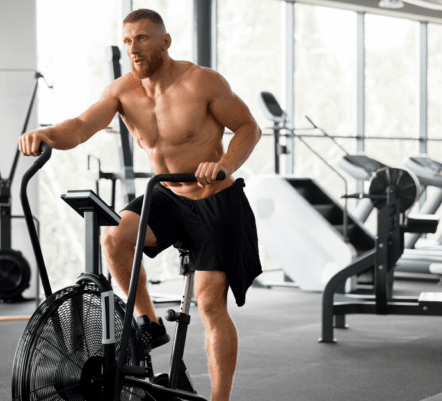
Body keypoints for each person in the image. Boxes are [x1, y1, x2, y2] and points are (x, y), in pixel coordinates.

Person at [19, 9, 262, 401]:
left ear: (165, 41)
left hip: (215, 199)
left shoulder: (201, 82)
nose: (134, 48)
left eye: (143, 38)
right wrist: (46, 133)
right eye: (128, 40)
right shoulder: (122, 91)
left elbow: (250, 127)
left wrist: (224, 165)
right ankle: (149, 323)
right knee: (114, 238)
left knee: (210, 303)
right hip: (166, 193)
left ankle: (220, 400)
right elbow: (80, 127)